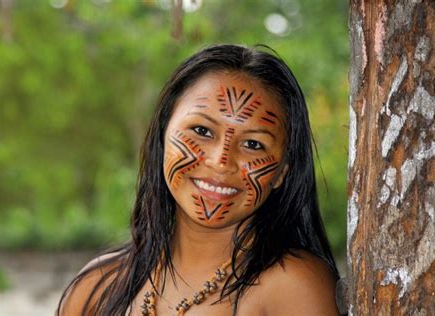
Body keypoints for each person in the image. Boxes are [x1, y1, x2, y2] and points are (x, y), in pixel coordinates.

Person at [58, 44, 340, 315]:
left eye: (253, 144)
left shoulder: (292, 287)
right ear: (163, 135)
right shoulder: (97, 286)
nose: (220, 161)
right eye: (202, 131)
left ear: (282, 172)